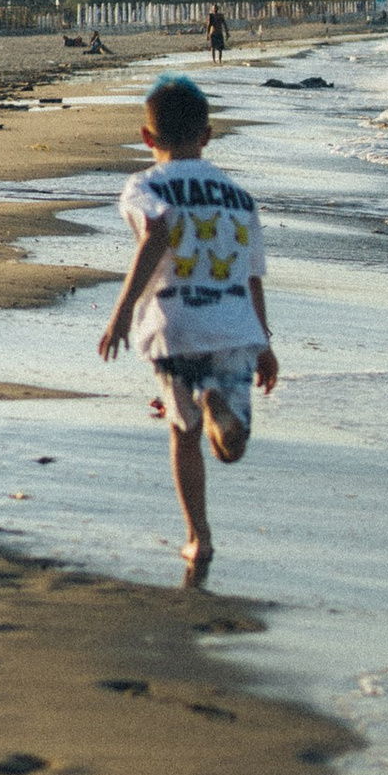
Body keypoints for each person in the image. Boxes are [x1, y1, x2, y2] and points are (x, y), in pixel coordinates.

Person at [97, 72, 276, 574]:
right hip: (236, 326)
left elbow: (156, 232)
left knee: (183, 433)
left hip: (174, 327)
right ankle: (221, 406)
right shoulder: (240, 197)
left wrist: (120, 314)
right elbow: (252, 276)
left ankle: (198, 538)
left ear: (147, 137)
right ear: (207, 135)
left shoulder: (144, 185)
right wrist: (264, 344)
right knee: (232, 448)